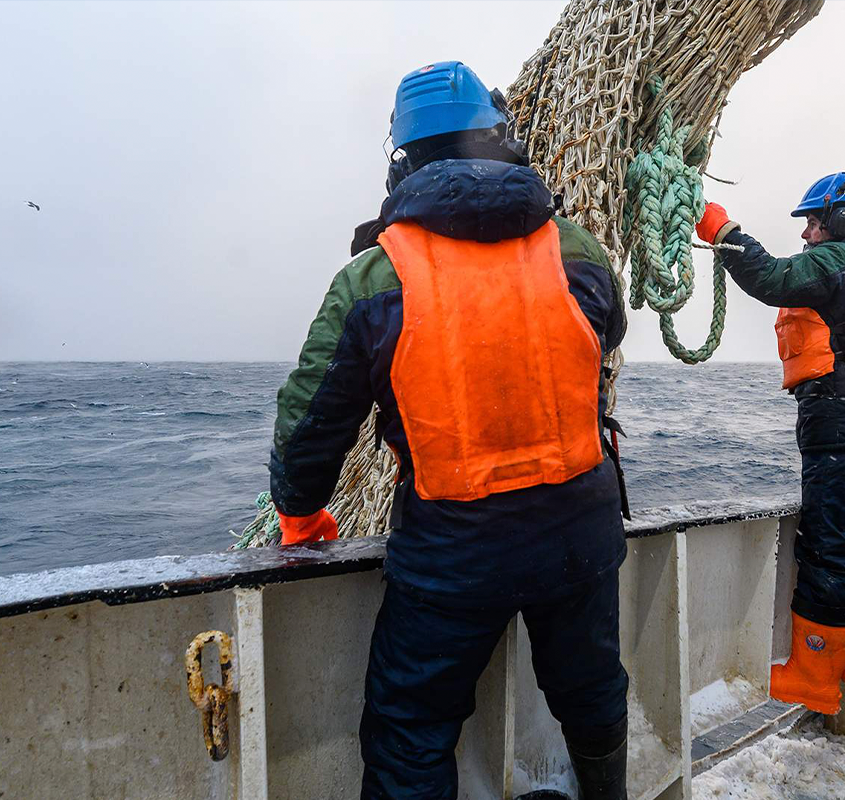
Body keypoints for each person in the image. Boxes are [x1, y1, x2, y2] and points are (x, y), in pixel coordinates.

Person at [268, 61, 631, 800]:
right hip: (579, 535)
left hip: (453, 554)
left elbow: (312, 422)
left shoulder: (374, 277)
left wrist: (301, 514)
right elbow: (607, 332)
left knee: (410, 727)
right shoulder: (578, 250)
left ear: (403, 161)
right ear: (502, 142)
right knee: (592, 695)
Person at [696, 173, 845, 716]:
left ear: (841, 218)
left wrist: (721, 229)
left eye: (814, 222)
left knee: (828, 550)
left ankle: (813, 678)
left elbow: (770, 277)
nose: (808, 234)